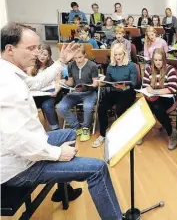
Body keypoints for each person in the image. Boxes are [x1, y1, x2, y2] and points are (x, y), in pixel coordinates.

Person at [0, 23, 125, 220]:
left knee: (67, 133)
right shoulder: (7, 84)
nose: (36, 53)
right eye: (31, 48)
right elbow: (18, 140)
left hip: (26, 148)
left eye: (37, 47)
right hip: (20, 166)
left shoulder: (10, 72)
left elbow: (36, 82)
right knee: (98, 169)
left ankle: (63, 190)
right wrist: (58, 153)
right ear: (10, 49)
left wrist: (61, 62)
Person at [94, 43, 138, 148]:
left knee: (120, 108)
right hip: (114, 91)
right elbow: (108, 81)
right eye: (116, 55)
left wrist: (124, 87)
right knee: (101, 107)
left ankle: (121, 134)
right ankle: (102, 134)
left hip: (127, 92)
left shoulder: (131, 66)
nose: (118, 57)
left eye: (120, 54)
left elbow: (134, 83)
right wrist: (101, 82)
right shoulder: (110, 66)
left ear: (124, 54)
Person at [57, 44, 99, 142]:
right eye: (75, 58)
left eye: (80, 57)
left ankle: (86, 128)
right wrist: (64, 82)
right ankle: (77, 126)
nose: (78, 60)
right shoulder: (71, 65)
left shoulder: (92, 65)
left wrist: (91, 85)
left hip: (89, 92)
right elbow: (71, 83)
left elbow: (95, 83)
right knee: (61, 107)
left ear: (85, 55)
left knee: (88, 107)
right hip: (76, 92)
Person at [141, 48, 177, 148]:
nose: (157, 63)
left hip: (168, 98)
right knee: (144, 105)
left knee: (156, 106)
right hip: (153, 98)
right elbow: (144, 85)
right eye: (155, 60)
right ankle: (141, 131)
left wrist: (155, 91)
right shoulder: (149, 69)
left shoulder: (170, 69)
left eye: (160, 60)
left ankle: (171, 133)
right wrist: (148, 89)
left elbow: (172, 88)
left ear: (164, 60)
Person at [27, 43, 62, 131]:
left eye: (45, 54)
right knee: (27, 104)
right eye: (40, 54)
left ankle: (56, 129)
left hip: (52, 93)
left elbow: (58, 82)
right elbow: (30, 84)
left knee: (47, 105)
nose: (42, 56)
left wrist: (56, 91)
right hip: (37, 94)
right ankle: (32, 129)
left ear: (49, 56)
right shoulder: (31, 66)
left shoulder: (55, 66)